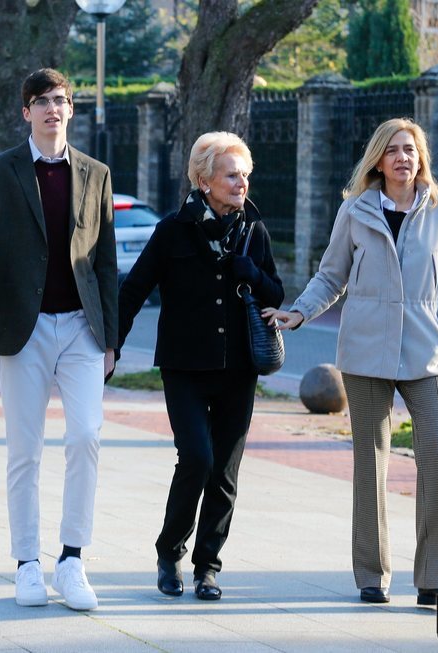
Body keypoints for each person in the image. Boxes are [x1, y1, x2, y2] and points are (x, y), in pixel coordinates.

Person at [263, 118, 438, 608]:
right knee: (371, 463)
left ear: (421, 157)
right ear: (378, 160)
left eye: (411, 149)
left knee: (436, 461)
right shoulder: (355, 212)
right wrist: (298, 312)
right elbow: (330, 275)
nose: (404, 158)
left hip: (428, 354)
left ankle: (434, 581)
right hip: (363, 354)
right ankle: (371, 576)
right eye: (394, 150)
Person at [0, 68, 117, 612]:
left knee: (86, 437)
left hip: (81, 327)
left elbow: (106, 260)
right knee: (25, 449)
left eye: (62, 100)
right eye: (42, 101)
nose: (53, 108)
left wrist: (111, 337)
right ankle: (27, 562)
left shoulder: (96, 173)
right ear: (25, 111)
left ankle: (71, 559)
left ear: (71, 110)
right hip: (21, 330)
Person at [117, 132, 284, 601]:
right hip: (185, 368)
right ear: (204, 179)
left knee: (225, 473)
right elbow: (134, 290)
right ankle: (169, 552)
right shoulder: (172, 229)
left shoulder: (254, 230)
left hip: (238, 371)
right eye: (232, 175)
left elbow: (276, 293)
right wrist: (111, 346)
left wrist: (252, 274)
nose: (241, 184)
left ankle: (207, 566)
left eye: (245, 175)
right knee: (197, 459)